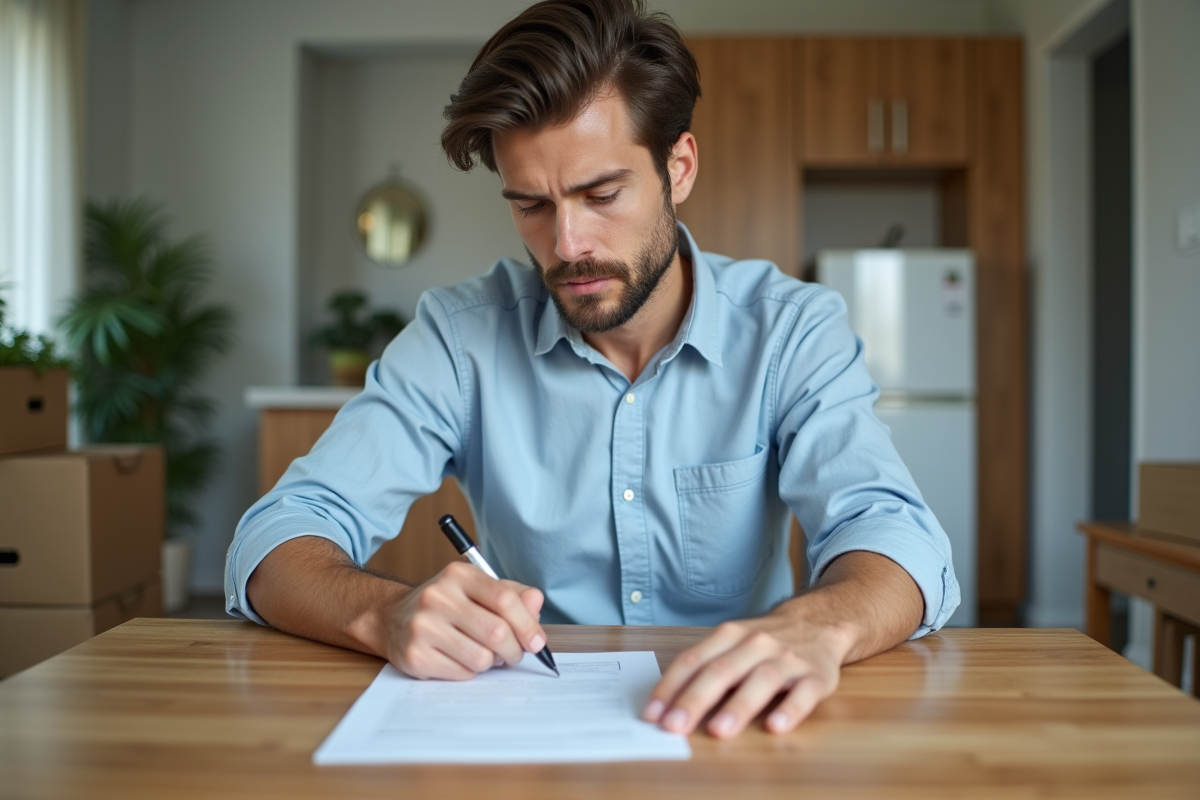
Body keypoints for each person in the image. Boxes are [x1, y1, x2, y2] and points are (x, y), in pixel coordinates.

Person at [225, 0, 958, 741]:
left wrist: (819, 626)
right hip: (526, 728)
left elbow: (897, 535)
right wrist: (382, 613)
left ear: (679, 167)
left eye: (601, 195)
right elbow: (276, 540)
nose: (567, 244)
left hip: (737, 730)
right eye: (530, 205)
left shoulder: (791, 329)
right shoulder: (459, 337)